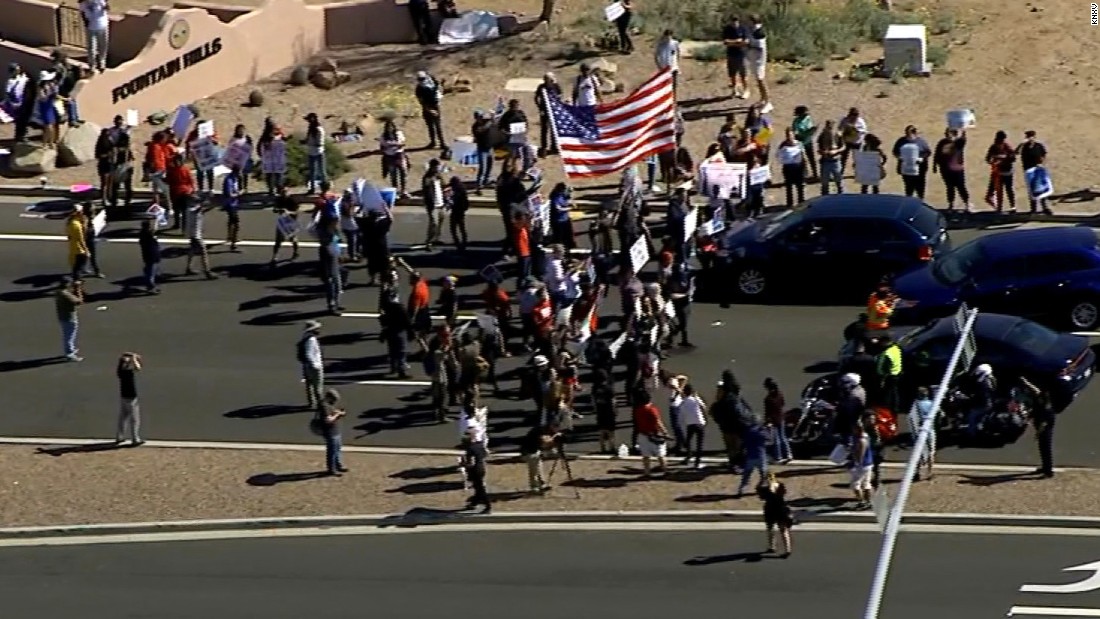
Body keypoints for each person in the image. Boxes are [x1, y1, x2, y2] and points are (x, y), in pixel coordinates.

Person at [1021, 377, 1055, 478]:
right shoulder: (1039, 398)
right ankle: (1045, 467)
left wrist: (1040, 429)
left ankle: (1048, 471)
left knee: (1045, 446)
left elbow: (1045, 416)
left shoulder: (1045, 401)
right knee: (1042, 446)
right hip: (1041, 420)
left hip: (1045, 422)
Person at [934, 128, 972, 212]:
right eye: (946, 133)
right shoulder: (942, 143)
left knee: (961, 187)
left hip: (958, 169)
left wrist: (963, 130)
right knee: (949, 187)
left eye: (948, 133)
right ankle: (951, 204)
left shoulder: (958, 143)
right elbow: (937, 154)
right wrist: (935, 165)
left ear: (953, 134)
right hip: (946, 169)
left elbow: (963, 140)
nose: (946, 135)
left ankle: (967, 203)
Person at [633, 390, 669, 478]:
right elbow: (658, 422)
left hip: (643, 434)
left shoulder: (637, 410)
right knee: (660, 454)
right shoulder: (652, 409)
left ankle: (647, 472)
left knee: (646, 455)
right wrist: (665, 432)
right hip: (655, 434)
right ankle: (665, 471)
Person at [1016, 130, 1052, 215]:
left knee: (1042, 188)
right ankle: (1033, 208)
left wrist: (1042, 164)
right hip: (1029, 170)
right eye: (1028, 137)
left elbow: (1044, 155)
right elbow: (1016, 152)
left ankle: (1045, 207)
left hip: (1038, 169)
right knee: (1032, 189)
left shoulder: (1039, 146)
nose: (1030, 138)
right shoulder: (1024, 147)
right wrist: (1021, 144)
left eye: (1031, 136)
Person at [313, 389, 348, 476]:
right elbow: (328, 420)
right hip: (330, 431)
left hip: (335, 430)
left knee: (337, 448)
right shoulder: (324, 406)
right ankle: (332, 469)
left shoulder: (327, 404)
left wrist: (337, 412)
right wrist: (338, 415)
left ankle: (338, 465)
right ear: (329, 398)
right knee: (332, 450)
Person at [758, 473, 793, 558]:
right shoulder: (780, 485)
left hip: (770, 510)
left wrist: (761, 484)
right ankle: (787, 549)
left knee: (770, 528)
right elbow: (784, 493)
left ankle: (772, 546)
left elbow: (761, 497)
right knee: (783, 530)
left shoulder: (764, 488)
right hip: (781, 509)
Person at [892, 125, 932, 199]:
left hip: (919, 169)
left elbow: (928, 152)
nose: (908, 135)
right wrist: (900, 157)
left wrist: (921, 158)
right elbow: (895, 152)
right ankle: (909, 202)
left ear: (915, 133)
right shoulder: (901, 141)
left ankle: (920, 203)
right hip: (906, 168)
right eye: (907, 133)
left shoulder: (921, 141)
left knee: (920, 187)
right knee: (908, 187)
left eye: (910, 133)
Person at [462, 420, 492, 513]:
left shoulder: (470, 448)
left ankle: (488, 506)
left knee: (480, 489)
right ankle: (474, 503)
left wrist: (464, 465)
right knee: (477, 487)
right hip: (481, 468)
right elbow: (485, 454)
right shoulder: (480, 445)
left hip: (475, 470)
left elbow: (470, 462)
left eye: (467, 434)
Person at [184, 199, 218, 279]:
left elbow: (202, 210)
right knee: (203, 251)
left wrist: (212, 206)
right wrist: (205, 203)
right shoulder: (191, 210)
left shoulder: (193, 209)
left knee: (192, 250)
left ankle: (188, 268)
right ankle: (207, 271)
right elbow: (199, 210)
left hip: (194, 234)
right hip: (195, 235)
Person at [984, 130, 1017, 213]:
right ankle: (999, 207)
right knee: (999, 190)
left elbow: (1013, 158)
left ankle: (1013, 206)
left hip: (1007, 171)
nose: (1002, 141)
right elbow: (987, 158)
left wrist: (1003, 159)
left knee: (1009, 189)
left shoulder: (1007, 147)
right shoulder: (993, 147)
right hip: (998, 172)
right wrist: (993, 162)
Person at [115, 352, 144, 446]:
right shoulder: (127, 373)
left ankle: (120, 436)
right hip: (131, 397)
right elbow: (138, 368)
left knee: (123, 417)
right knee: (135, 419)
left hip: (123, 397)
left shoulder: (120, 372)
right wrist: (134, 358)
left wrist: (131, 356)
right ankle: (135, 438)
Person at [908, 386, 936, 481]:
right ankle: (929, 472)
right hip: (929, 430)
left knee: (918, 452)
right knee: (931, 452)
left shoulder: (915, 405)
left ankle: (917, 472)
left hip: (918, 431)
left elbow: (911, 418)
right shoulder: (932, 404)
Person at [518, 426, 555, 494]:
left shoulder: (544, 431)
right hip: (528, 452)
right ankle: (534, 487)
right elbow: (544, 442)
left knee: (539, 468)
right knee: (534, 470)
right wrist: (552, 443)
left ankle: (542, 484)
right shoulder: (539, 431)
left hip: (535, 451)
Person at [378, 120, 410, 198]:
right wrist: (387, 147)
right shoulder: (383, 136)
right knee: (393, 175)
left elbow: (403, 144)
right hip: (389, 156)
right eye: (388, 127)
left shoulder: (399, 134)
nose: (390, 128)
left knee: (403, 172)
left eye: (391, 127)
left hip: (399, 155)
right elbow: (381, 147)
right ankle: (395, 191)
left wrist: (397, 145)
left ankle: (404, 190)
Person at [679, 382, 707, 469]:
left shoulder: (683, 402)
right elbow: (704, 407)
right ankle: (697, 462)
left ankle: (688, 457)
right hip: (699, 422)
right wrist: (705, 417)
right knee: (699, 443)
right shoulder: (695, 399)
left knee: (688, 441)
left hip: (690, 424)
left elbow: (682, 414)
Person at [55, 277, 84, 362]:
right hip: (69, 318)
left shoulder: (58, 292)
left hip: (63, 316)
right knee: (69, 336)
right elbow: (79, 301)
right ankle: (69, 353)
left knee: (69, 335)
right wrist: (78, 288)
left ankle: (71, 349)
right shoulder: (65, 294)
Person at [533, 73, 562, 156]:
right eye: (545, 79)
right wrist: (540, 108)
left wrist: (557, 106)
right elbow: (536, 98)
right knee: (544, 129)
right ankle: (544, 147)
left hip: (553, 110)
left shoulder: (556, 86)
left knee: (554, 129)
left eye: (548, 79)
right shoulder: (541, 87)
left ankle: (554, 146)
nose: (546, 80)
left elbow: (560, 96)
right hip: (544, 111)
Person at [964, 363, 996, 440]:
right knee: (979, 417)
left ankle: (971, 433)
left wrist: (971, 397)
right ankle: (979, 428)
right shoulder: (990, 380)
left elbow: (980, 395)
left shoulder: (983, 383)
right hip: (988, 403)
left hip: (984, 404)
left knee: (972, 416)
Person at [297, 320, 325, 409]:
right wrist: (314, 365)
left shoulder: (305, 337)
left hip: (307, 366)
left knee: (309, 385)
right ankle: (321, 406)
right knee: (318, 387)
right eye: (317, 329)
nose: (319, 330)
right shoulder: (312, 340)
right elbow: (309, 354)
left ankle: (311, 403)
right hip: (314, 367)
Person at [764, 378, 791, 464]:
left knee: (776, 439)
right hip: (781, 417)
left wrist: (767, 421)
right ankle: (788, 454)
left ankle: (778, 456)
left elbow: (768, 412)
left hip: (773, 420)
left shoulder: (768, 399)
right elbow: (783, 404)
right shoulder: (780, 395)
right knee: (783, 437)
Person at [414, 71, 445, 149]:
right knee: (434, 125)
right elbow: (422, 101)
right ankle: (437, 142)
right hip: (432, 106)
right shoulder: (426, 85)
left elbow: (422, 101)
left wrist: (429, 109)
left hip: (431, 106)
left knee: (434, 125)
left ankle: (438, 143)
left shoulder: (423, 86)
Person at [776, 128, 806, 207]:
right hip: (788, 168)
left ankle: (801, 202)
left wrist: (804, 167)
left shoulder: (799, 143)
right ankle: (790, 204)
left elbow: (803, 155)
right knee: (789, 187)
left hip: (798, 167)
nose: (789, 136)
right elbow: (778, 155)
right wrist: (783, 161)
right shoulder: (783, 145)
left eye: (790, 134)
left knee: (799, 186)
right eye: (787, 135)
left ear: (793, 135)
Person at [421, 158, 446, 250]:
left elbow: (443, 187)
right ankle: (428, 242)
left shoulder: (439, 176)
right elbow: (426, 192)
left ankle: (436, 238)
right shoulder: (427, 178)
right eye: (436, 167)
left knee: (440, 222)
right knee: (433, 223)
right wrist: (429, 204)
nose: (438, 169)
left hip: (441, 203)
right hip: (433, 205)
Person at [722, 16, 749, 99]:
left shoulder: (743, 29)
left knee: (743, 74)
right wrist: (737, 41)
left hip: (741, 54)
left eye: (736, 21)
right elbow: (725, 42)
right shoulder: (727, 29)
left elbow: (746, 42)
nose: (734, 23)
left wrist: (733, 42)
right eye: (733, 21)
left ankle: (746, 90)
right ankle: (735, 90)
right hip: (731, 54)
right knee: (732, 73)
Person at [80, 0, 110, 73]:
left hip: (102, 26)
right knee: (91, 47)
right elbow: (82, 12)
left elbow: (107, 8)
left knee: (103, 45)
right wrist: (86, 23)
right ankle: (92, 65)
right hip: (91, 28)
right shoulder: (84, 2)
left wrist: (106, 5)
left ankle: (102, 63)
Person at [745, 14, 769, 108]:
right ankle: (763, 99)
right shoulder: (754, 31)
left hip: (759, 61)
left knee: (761, 81)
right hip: (754, 60)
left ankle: (767, 102)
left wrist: (748, 45)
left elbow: (760, 47)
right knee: (758, 81)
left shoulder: (759, 32)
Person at [849, 421, 874, 509]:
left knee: (855, 484)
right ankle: (868, 502)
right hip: (868, 463)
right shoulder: (866, 436)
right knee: (867, 483)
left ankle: (861, 501)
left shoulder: (861, 440)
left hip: (861, 465)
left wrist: (857, 464)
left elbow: (860, 454)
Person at [817, 120, 845, 195]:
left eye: (831, 126)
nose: (829, 128)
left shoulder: (838, 135)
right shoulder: (822, 135)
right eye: (828, 126)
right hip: (825, 161)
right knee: (825, 184)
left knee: (839, 183)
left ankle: (841, 200)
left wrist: (836, 151)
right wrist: (822, 152)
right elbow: (819, 148)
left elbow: (843, 147)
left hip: (835, 161)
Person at [837, 108, 867, 175]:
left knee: (857, 158)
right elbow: (840, 129)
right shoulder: (845, 120)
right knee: (843, 158)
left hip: (856, 142)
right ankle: (840, 173)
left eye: (855, 116)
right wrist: (840, 134)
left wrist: (856, 130)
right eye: (852, 115)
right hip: (846, 142)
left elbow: (864, 131)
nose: (853, 118)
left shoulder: (860, 121)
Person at [303, 112, 327, 194]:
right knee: (312, 172)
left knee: (321, 172)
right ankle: (312, 188)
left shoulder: (319, 130)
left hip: (318, 152)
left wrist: (309, 143)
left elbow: (319, 143)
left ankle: (324, 188)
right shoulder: (311, 129)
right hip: (312, 152)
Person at [792, 105, 817, 179]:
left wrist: (812, 130)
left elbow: (810, 126)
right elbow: (796, 133)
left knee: (811, 157)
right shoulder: (796, 121)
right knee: (802, 159)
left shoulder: (808, 118)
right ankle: (804, 175)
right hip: (801, 141)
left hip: (808, 140)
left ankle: (815, 173)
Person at [222, 165, 242, 252]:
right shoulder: (229, 180)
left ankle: (229, 236)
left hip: (233, 203)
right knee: (236, 223)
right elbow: (230, 194)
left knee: (231, 220)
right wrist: (239, 193)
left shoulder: (234, 179)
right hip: (230, 204)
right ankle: (233, 243)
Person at [654, 29, 680, 96]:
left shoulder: (675, 43)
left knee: (673, 84)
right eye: (667, 36)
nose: (668, 38)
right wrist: (659, 66)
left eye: (669, 36)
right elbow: (656, 56)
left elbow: (677, 53)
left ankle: (673, 99)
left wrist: (676, 63)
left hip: (673, 67)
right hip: (664, 68)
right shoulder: (661, 45)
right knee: (665, 85)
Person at [138, 218, 161, 294]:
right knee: (151, 272)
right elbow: (154, 230)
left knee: (149, 269)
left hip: (147, 255)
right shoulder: (149, 234)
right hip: (152, 255)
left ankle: (150, 285)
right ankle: (151, 287)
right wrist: (157, 220)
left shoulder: (142, 234)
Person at [66, 207, 90, 280]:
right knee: (78, 270)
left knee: (75, 269)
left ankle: (76, 284)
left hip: (73, 249)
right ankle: (76, 286)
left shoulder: (70, 223)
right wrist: (86, 250)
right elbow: (81, 239)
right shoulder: (76, 225)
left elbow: (69, 236)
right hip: (79, 250)